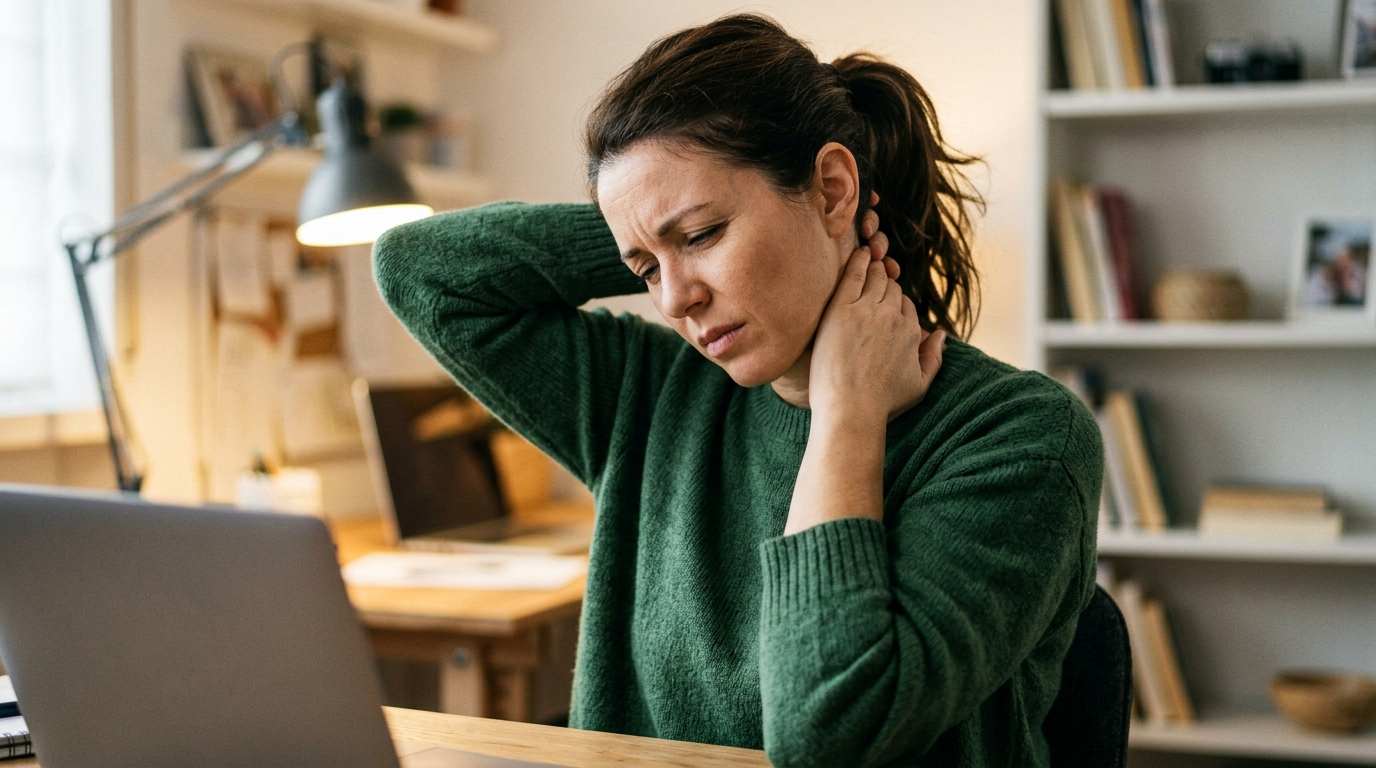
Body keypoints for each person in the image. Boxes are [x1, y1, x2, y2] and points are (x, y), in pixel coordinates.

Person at [373, 13, 1102, 767]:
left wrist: (846, 414)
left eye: (703, 234)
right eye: (645, 272)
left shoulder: (1021, 440)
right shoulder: (651, 396)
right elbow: (419, 271)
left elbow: (828, 737)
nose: (673, 301)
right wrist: (648, 220)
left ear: (830, 188)